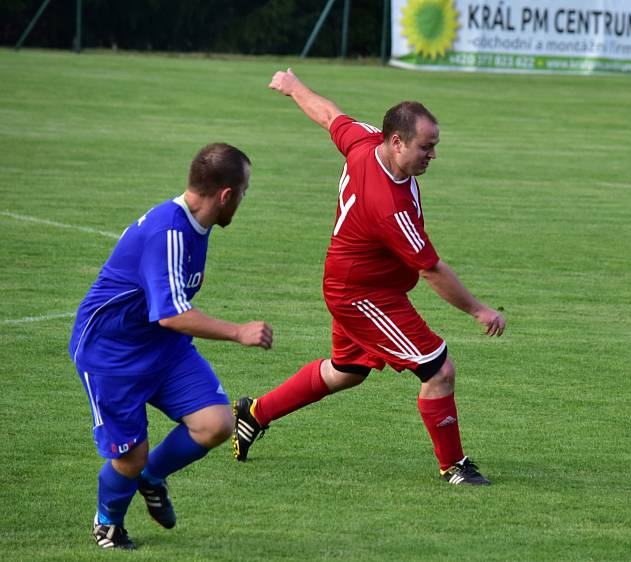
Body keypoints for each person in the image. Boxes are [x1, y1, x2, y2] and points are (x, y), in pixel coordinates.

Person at [232, 69, 505, 486]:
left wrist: (293, 87)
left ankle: (255, 413)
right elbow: (431, 270)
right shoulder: (388, 204)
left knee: (345, 370)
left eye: (434, 147)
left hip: (352, 282)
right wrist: (478, 310)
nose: (432, 156)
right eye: (425, 148)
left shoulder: (364, 141)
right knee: (439, 369)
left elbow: (329, 115)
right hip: (364, 295)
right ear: (396, 142)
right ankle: (454, 466)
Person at [69, 143, 273, 549]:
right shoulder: (169, 233)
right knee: (130, 456)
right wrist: (239, 331)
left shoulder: (197, 224)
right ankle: (107, 522)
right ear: (226, 195)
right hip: (113, 353)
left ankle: (151, 477)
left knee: (216, 424)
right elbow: (171, 314)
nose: (244, 200)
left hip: (162, 347)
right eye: (245, 192)